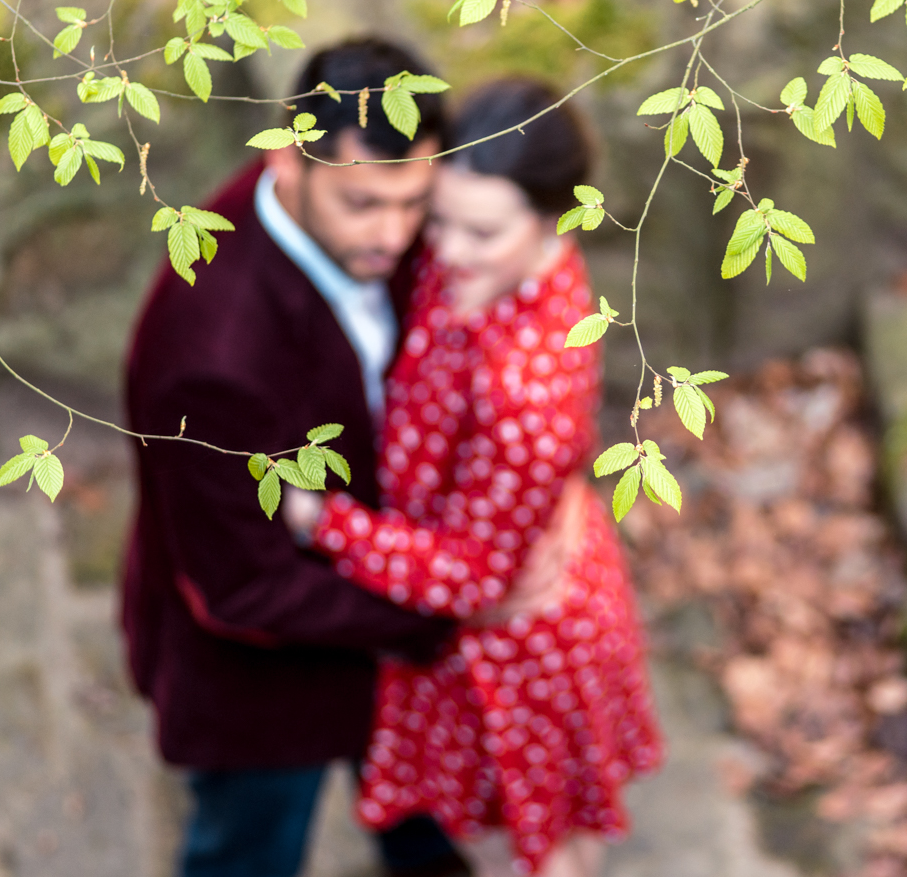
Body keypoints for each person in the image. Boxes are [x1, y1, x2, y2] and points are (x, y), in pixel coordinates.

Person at [284, 80, 665, 877]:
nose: (446, 249)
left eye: (482, 232)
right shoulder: (500, 265)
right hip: (503, 576)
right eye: (441, 216)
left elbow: (472, 572)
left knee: (543, 837)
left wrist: (326, 523)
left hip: (519, 645)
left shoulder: (529, 388)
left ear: (555, 215)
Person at [123, 39, 476, 877]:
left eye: (414, 202)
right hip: (265, 683)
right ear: (288, 159)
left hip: (390, 608)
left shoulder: (397, 231)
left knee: (424, 823)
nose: (394, 235)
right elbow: (239, 585)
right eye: (363, 203)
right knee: (246, 853)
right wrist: (442, 613)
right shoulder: (209, 351)